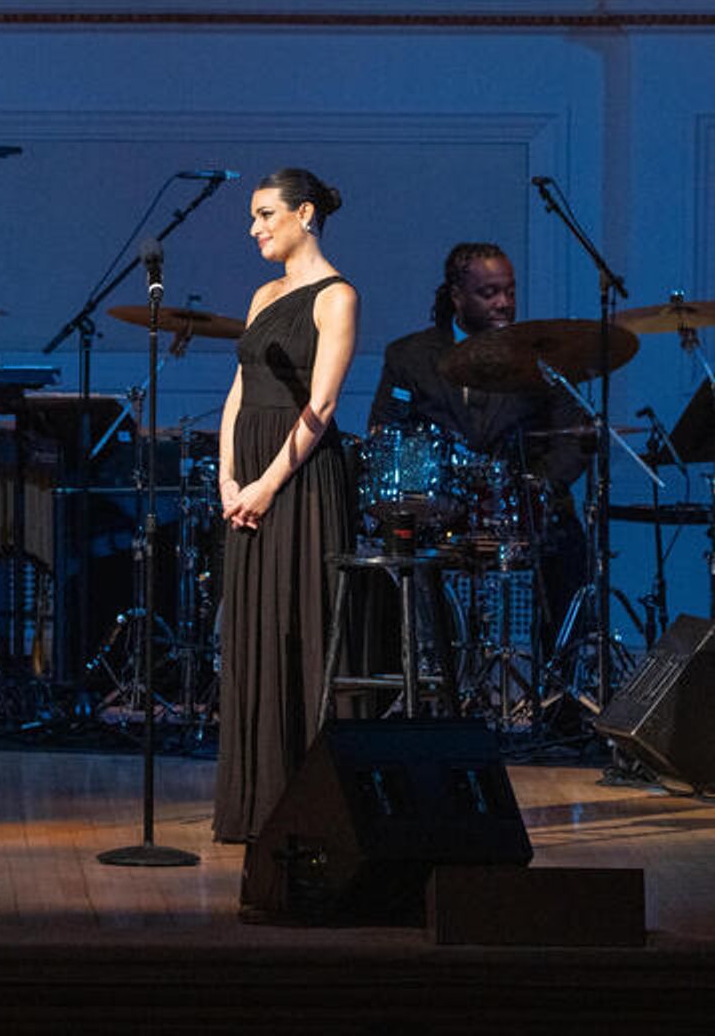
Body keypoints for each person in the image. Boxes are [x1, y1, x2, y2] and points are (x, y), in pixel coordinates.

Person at [214, 168, 358, 845]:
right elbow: (239, 393)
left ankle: (308, 807)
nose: (254, 229)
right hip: (248, 481)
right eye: (252, 217)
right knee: (252, 632)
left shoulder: (337, 297)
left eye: (266, 215)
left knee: (297, 626)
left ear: (305, 214)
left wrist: (266, 484)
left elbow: (321, 406)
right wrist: (227, 478)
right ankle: (254, 803)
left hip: (298, 482)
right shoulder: (263, 294)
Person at [368, 242, 589, 656]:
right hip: (443, 512)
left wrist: (534, 487)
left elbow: (573, 437)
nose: (504, 303)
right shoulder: (410, 356)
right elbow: (386, 432)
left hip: (521, 509)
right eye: (489, 294)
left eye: (510, 291)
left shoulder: (543, 357)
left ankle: (561, 688)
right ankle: (430, 675)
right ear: (457, 298)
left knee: (568, 541)